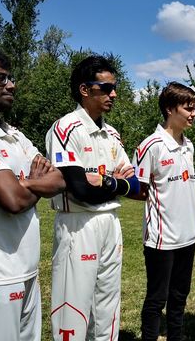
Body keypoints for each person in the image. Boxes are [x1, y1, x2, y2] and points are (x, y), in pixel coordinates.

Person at [0, 44, 65, 341]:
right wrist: (29, 185)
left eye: (10, 77)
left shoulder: (13, 134)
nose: (11, 84)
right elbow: (13, 201)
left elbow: (58, 180)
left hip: (27, 266)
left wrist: (22, 184)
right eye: (0, 78)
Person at [46, 55, 139, 341]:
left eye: (115, 87)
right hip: (78, 223)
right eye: (106, 87)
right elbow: (81, 191)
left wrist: (110, 182)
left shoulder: (112, 133)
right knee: (73, 305)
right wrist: (118, 183)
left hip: (111, 221)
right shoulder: (65, 129)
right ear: (85, 90)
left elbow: (137, 187)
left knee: (108, 304)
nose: (114, 94)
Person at [132, 82, 195, 341]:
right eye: (188, 108)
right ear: (170, 109)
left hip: (188, 234)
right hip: (162, 238)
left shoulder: (189, 144)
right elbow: (138, 190)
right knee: (157, 297)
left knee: (180, 294)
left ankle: (176, 335)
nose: (193, 114)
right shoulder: (151, 145)